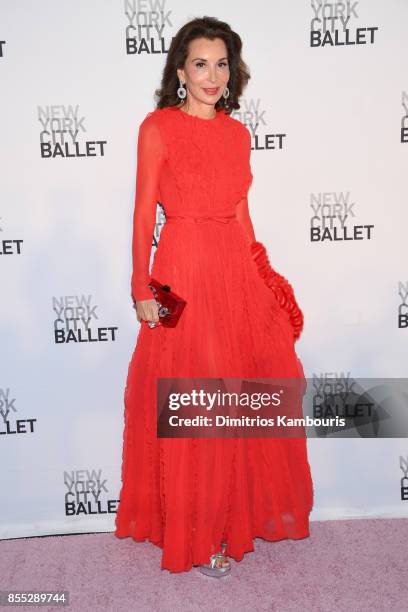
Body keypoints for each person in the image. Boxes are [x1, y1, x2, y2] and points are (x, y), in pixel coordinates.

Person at [114, 16, 314, 577]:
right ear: (180, 71)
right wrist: (141, 286)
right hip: (179, 271)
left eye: (221, 63)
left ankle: (227, 526)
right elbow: (142, 212)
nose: (211, 75)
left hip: (231, 273)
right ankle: (195, 536)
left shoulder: (237, 135)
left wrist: (264, 281)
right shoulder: (157, 127)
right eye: (199, 63)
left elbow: (242, 216)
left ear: (233, 72)